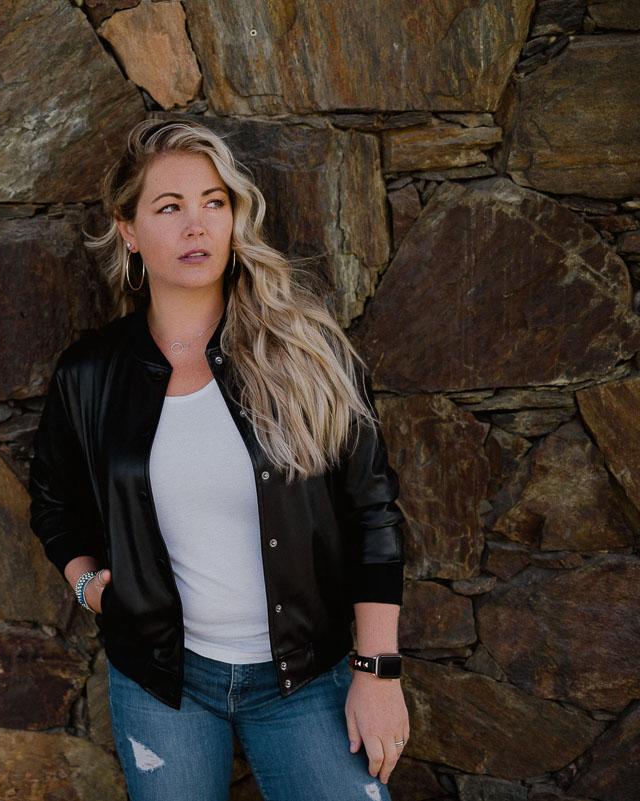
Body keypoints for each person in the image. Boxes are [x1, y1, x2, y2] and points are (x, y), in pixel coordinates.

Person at [28, 118, 409, 801]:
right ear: (129, 230)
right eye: (169, 207)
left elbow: (371, 509)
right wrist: (89, 584)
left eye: (213, 201)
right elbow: (55, 499)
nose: (196, 225)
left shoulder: (308, 350)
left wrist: (378, 671)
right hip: (161, 683)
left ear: (236, 216)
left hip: (306, 676)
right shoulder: (89, 374)